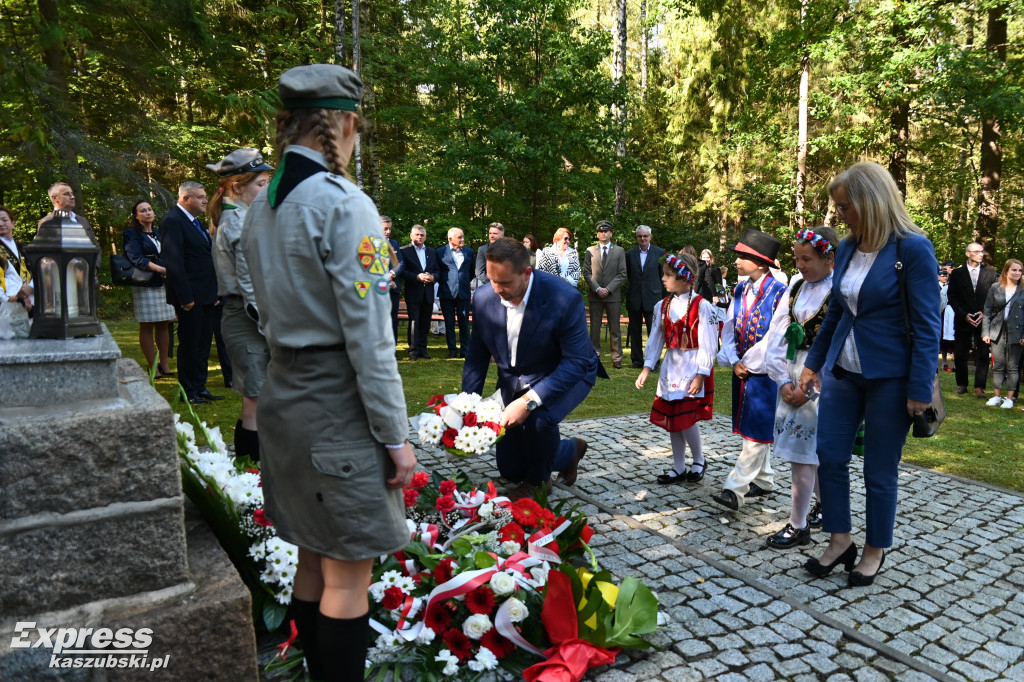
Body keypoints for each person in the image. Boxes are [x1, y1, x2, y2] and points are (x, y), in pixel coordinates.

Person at [240, 63, 416, 681]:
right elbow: (370, 339)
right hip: (335, 406)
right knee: (349, 575)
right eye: (356, 126)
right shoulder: (345, 206)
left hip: (284, 395)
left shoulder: (261, 206)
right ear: (339, 123)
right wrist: (396, 439)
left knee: (312, 557)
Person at [799, 161, 939, 587]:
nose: (839, 215)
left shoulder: (912, 249)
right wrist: (813, 363)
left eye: (844, 206)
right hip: (843, 369)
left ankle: (876, 548)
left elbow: (928, 324)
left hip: (891, 378)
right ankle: (840, 538)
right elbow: (839, 311)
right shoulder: (845, 248)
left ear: (869, 202)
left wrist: (919, 388)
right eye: (837, 207)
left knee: (879, 468)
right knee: (831, 455)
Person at [462, 237, 596, 499]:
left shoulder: (564, 298)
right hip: (515, 377)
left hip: (565, 372)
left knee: (538, 420)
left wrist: (528, 401)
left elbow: (577, 361)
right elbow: (477, 356)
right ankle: (570, 451)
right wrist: (468, 405)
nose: (496, 289)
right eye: (491, 280)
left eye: (504, 282)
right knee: (511, 470)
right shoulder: (482, 297)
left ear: (526, 273)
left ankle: (538, 484)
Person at [763, 226, 837, 549]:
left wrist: (809, 386)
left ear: (829, 259)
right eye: (797, 259)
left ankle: (798, 525)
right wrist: (782, 381)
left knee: (804, 455)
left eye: (807, 259)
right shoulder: (794, 287)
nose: (801, 265)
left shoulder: (838, 292)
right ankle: (825, 508)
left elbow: (841, 343)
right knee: (807, 452)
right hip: (793, 374)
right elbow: (777, 336)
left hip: (824, 380)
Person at [713, 228, 787, 511]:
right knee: (753, 428)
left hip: (765, 372)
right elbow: (730, 326)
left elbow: (775, 336)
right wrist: (734, 360)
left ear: (759, 262)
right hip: (743, 370)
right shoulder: (740, 288)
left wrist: (750, 363)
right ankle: (765, 479)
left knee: (756, 431)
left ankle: (735, 488)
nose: (736, 261)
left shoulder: (780, 293)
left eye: (742, 256)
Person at [207, 148, 274, 459]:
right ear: (237, 186)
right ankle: (251, 481)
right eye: (260, 184)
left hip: (254, 317)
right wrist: (274, 328)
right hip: (248, 318)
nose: (266, 189)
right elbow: (251, 286)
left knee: (264, 401)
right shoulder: (237, 223)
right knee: (255, 402)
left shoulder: (245, 217)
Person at [635, 252, 717, 484]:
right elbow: (655, 339)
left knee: (686, 418)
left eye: (669, 275)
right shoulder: (662, 306)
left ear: (684, 278)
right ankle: (679, 466)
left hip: (691, 368)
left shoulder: (702, 306)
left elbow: (709, 342)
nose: (663, 279)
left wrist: (701, 374)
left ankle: (699, 459)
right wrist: (647, 367)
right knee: (673, 418)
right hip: (672, 367)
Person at [161, 181, 223, 406]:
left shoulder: (195, 223)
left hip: (206, 295)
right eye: (200, 196)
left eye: (205, 196)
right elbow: (174, 262)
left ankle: (200, 386)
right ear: (185, 199)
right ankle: (188, 391)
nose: (205, 200)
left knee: (203, 344)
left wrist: (214, 292)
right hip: (190, 298)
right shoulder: (173, 221)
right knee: (190, 345)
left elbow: (205, 260)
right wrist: (185, 298)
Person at [122, 200, 176, 377]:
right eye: (143, 211)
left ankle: (165, 365)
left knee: (164, 322)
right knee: (147, 325)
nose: (147, 213)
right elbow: (134, 257)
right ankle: (153, 366)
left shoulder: (159, 233)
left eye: (150, 209)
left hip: (164, 283)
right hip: (145, 283)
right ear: (136, 216)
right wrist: (159, 269)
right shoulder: (132, 233)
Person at [948, 242, 997, 397]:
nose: (980, 254)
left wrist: (984, 313)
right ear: (968, 253)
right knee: (961, 353)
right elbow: (952, 297)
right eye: (977, 251)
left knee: (983, 354)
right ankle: (962, 384)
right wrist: (964, 315)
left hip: (984, 319)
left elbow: (994, 296)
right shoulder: (957, 273)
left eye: (982, 251)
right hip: (963, 319)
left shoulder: (991, 273)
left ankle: (979, 387)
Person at [583, 220, 627, 368]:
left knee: (615, 328)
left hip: (612, 295)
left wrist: (607, 289)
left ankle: (617, 359)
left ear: (611, 233)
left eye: (606, 231)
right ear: (597, 234)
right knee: (594, 328)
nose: (604, 233)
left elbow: (622, 274)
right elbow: (587, 273)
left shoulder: (619, 251)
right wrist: (597, 289)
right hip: (595, 295)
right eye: (601, 231)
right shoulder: (590, 250)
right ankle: (594, 356)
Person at [982, 259, 1024, 409]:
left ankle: (1010, 399)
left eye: (1020, 270)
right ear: (1006, 271)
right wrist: (985, 332)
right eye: (1014, 270)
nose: (1018, 273)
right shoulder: (995, 287)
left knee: (1013, 367)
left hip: (1017, 332)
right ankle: (997, 396)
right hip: (996, 330)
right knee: (998, 365)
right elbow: (987, 311)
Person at [625, 225, 667, 368]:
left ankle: (653, 361)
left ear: (650, 237)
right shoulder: (630, 254)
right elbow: (629, 275)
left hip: (653, 297)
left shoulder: (660, 253)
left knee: (654, 332)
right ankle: (637, 360)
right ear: (636, 237)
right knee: (635, 331)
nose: (642, 239)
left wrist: (661, 294)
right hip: (635, 297)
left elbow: (664, 276)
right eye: (640, 236)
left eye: (645, 236)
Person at [436, 227, 474, 358]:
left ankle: (465, 350)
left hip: (463, 293)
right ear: (450, 239)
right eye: (460, 237)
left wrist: (464, 281)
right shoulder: (440, 252)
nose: (462, 239)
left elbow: (472, 271)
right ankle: (452, 350)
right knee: (449, 323)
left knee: (464, 323)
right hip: (447, 293)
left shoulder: (469, 252)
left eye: (463, 237)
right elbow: (438, 271)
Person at [0, 206, 33, 311]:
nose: (0, 224)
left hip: (31, 300)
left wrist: (31, 287)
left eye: (4, 220)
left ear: (13, 223)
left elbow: (38, 272)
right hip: (8, 303)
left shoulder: (25, 248)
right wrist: (12, 299)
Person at [382, 216, 403, 343]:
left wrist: (392, 274)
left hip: (393, 289)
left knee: (393, 320)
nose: (388, 231)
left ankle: (392, 349)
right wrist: (385, 280)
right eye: (385, 229)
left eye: (389, 229)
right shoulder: (368, 244)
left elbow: (401, 263)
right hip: (376, 290)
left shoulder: (394, 243)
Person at [475, 222, 504, 286]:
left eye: (495, 233)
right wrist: (494, 282)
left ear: (502, 235)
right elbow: (479, 272)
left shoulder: (509, 249)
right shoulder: (482, 250)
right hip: (488, 286)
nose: (492, 236)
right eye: (490, 233)